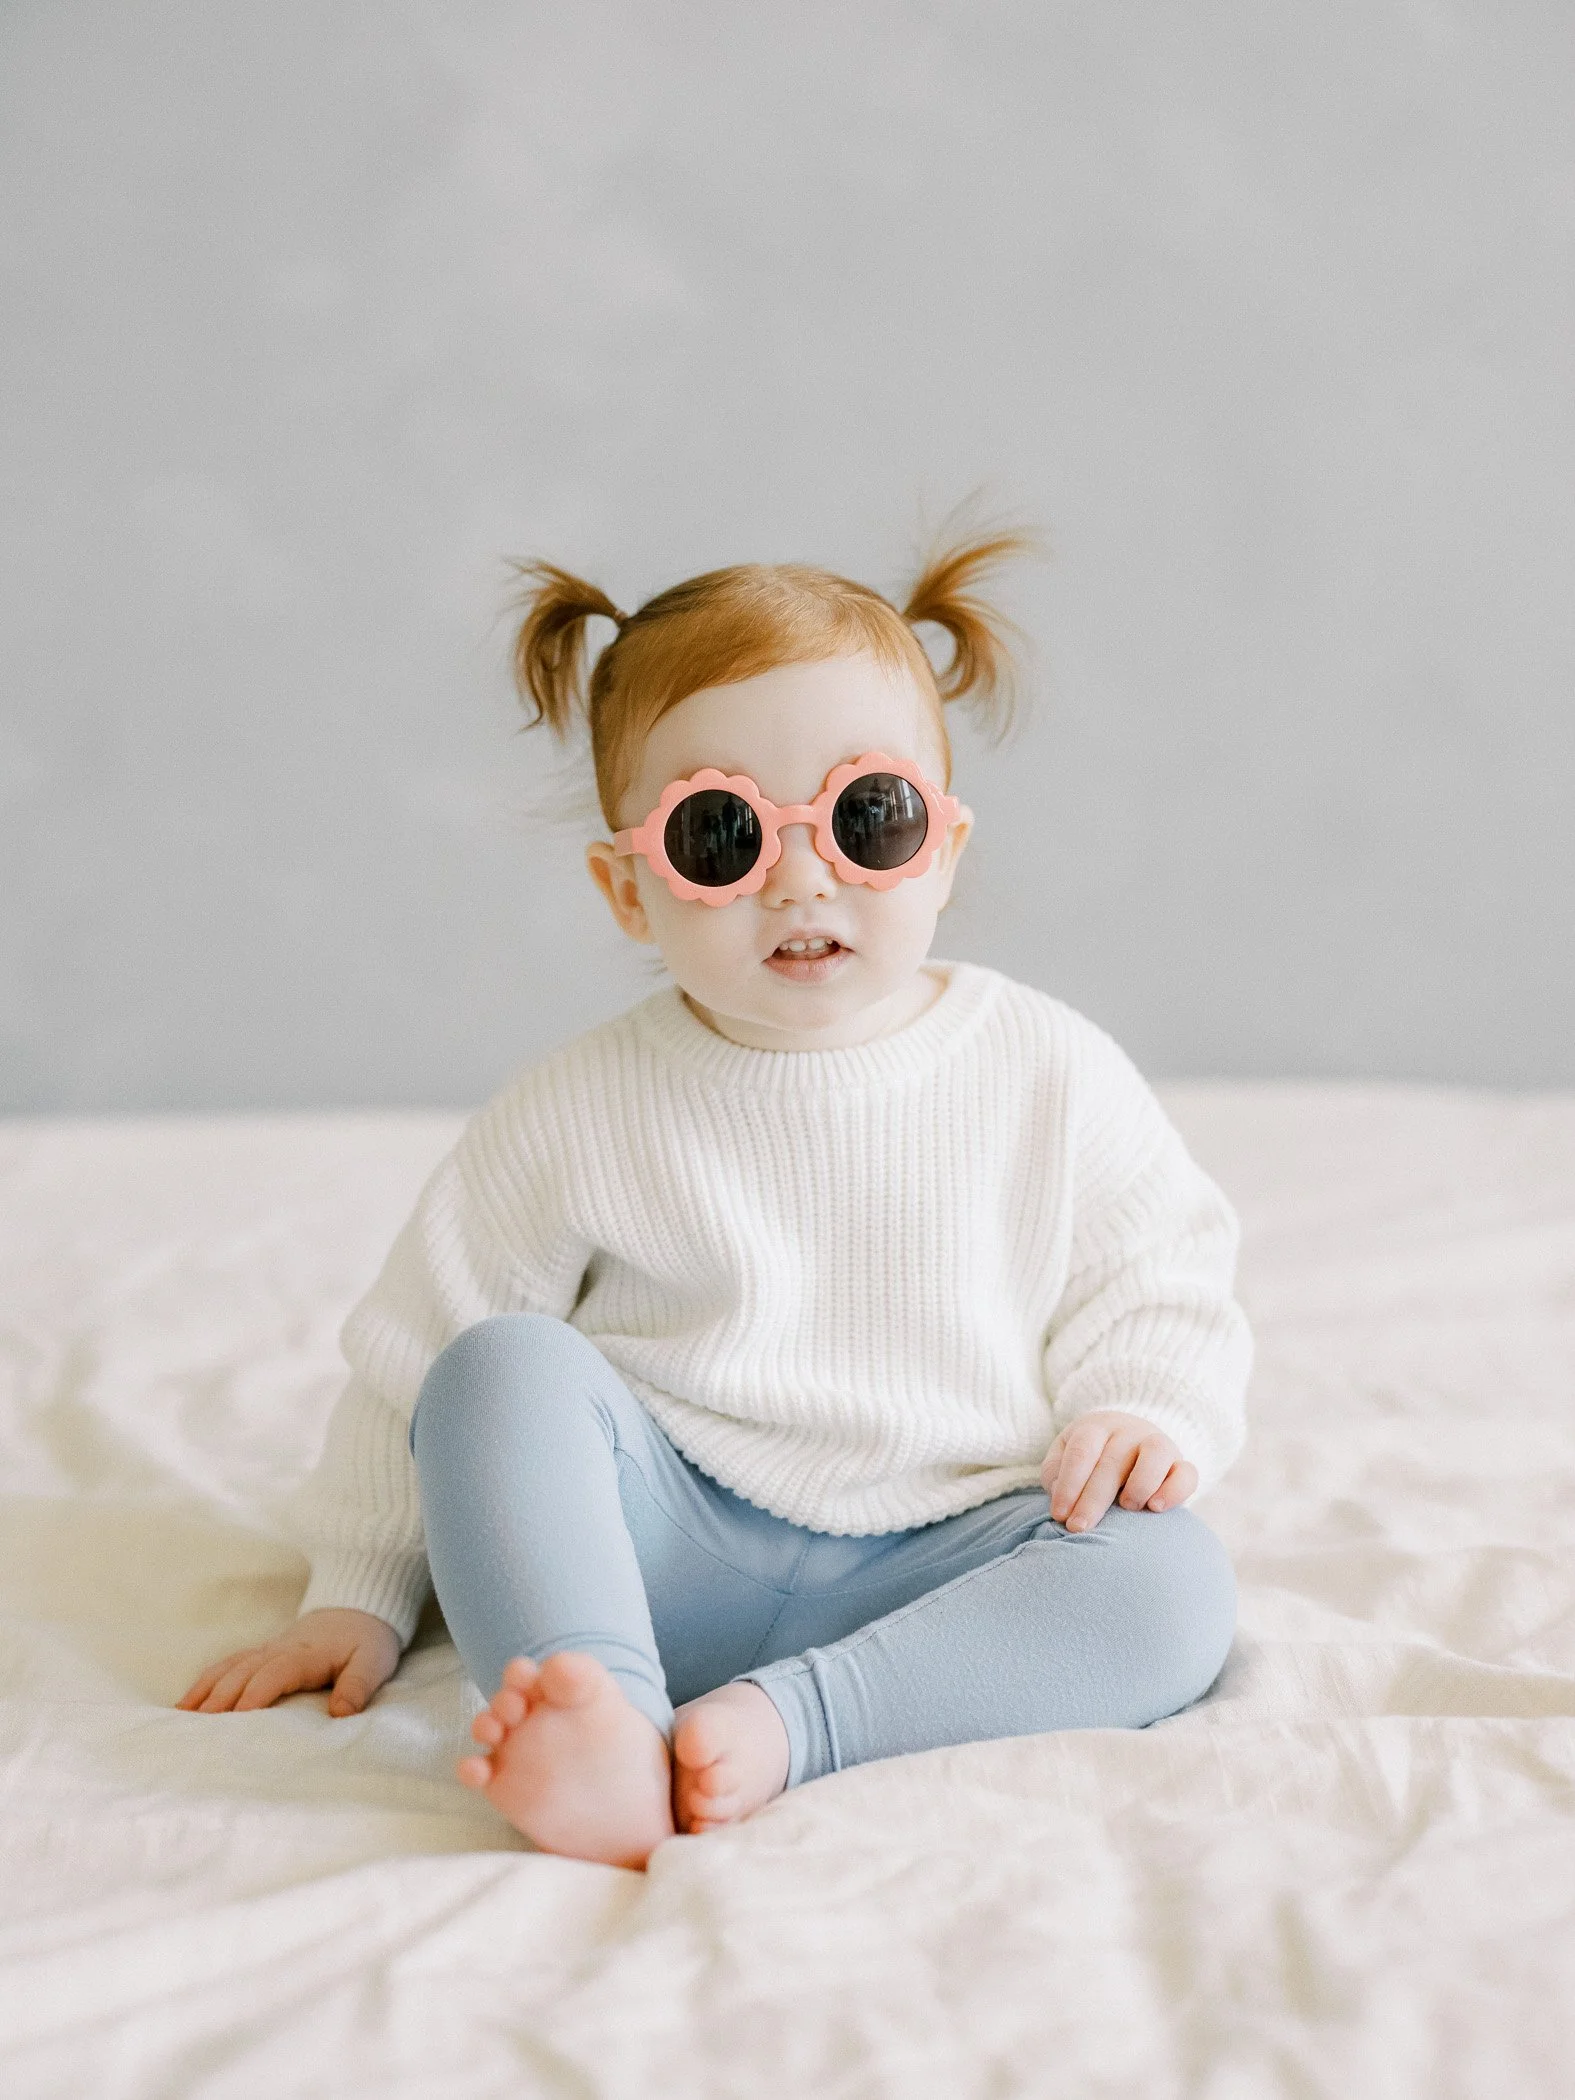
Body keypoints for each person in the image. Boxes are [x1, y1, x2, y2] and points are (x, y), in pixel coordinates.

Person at [179, 526, 1254, 1872]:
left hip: (945, 1560)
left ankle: (796, 1723)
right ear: (627, 886)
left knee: (1171, 1586)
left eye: (867, 818)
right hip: (658, 1552)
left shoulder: (1046, 1069)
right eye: (720, 834)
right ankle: (596, 1713)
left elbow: (1160, 1271)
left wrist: (1142, 1407)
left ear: (946, 847)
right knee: (495, 1370)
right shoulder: (575, 1108)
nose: (801, 876)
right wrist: (359, 1590)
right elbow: (414, 1360)